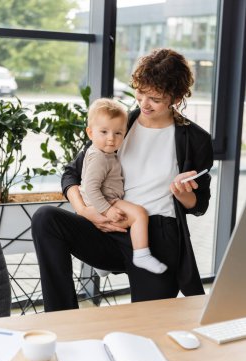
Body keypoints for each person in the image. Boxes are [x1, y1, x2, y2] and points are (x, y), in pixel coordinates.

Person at [32, 48, 213, 312]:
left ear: (175, 97)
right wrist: (86, 211)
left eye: (155, 98)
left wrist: (182, 192)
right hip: (111, 227)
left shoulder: (195, 139)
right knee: (46, 219)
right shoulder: (122, 123)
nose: (145, 104)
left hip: (158, 240)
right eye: (140, 93)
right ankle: (61, 319)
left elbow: (199, 205)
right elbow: (71, 173)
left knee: (147, 326)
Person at [80, 98, 167, 275]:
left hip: (107, 199)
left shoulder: (105, 153)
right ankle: (141, 254)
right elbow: (90, 188)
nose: (111, 139)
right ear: (90, 133)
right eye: (104, 132)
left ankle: (101, 263)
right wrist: (106, 210)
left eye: (118, 133)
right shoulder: (99, 158)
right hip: (104, 201)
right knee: (139, 214)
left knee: (122, 222)